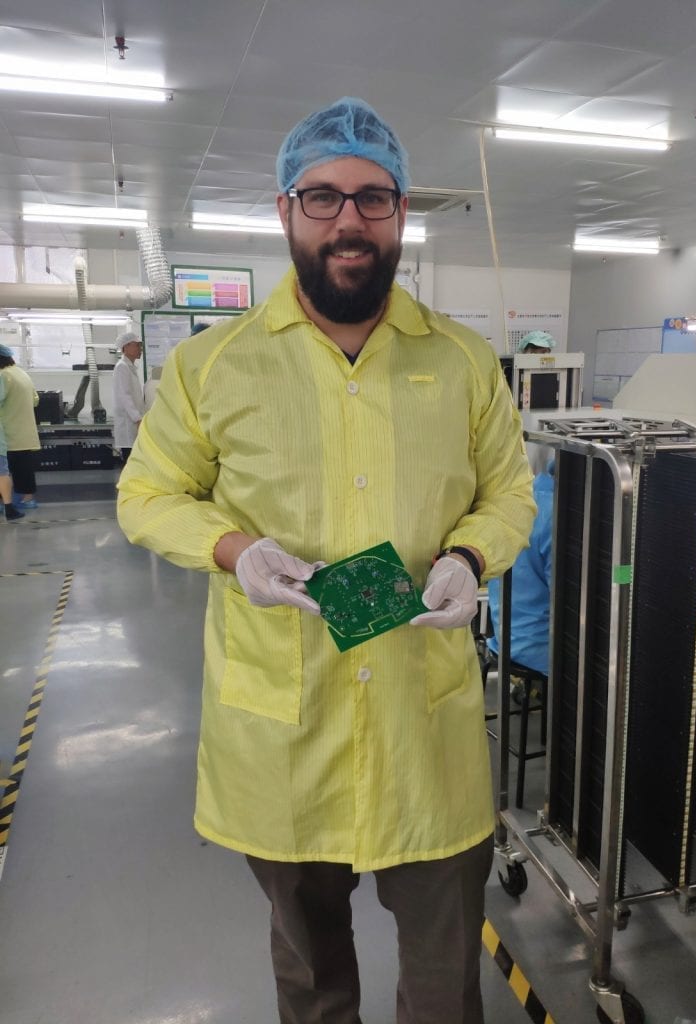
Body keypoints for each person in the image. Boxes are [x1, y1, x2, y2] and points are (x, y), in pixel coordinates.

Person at [117, 96, 535, 1024]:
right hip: (283, 727)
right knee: (309, 972)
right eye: (323, 197)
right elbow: (145, 495)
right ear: (285, 210)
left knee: (441, 980)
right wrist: (233, 550)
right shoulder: (212, 366)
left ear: (401, 212)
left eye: (373, 198)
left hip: (423, 726)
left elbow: (511, 492)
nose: (349, 219)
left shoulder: (465, 363)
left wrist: (470, 555)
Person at [486, 462, 554, 677]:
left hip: (504, 635)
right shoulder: (562, 514)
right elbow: (571, 605)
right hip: (540, 649)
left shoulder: (524, 498)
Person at [0, 344, 40, 511]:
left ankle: (9, 501)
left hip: (9, 432)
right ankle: (28, 499)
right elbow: (35, 400)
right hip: (25, 432)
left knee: (6, 471)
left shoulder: (3, 376)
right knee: (23, 468)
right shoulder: (21, 373)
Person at [111, 329, 145, 461]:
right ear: (126, 347)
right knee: (130, 460)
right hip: (128, 422)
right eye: (137, 345)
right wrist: (137, 418)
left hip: (133, 421)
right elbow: (125, 396)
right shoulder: (122, 367)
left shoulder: (129, 367)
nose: (139, 349)